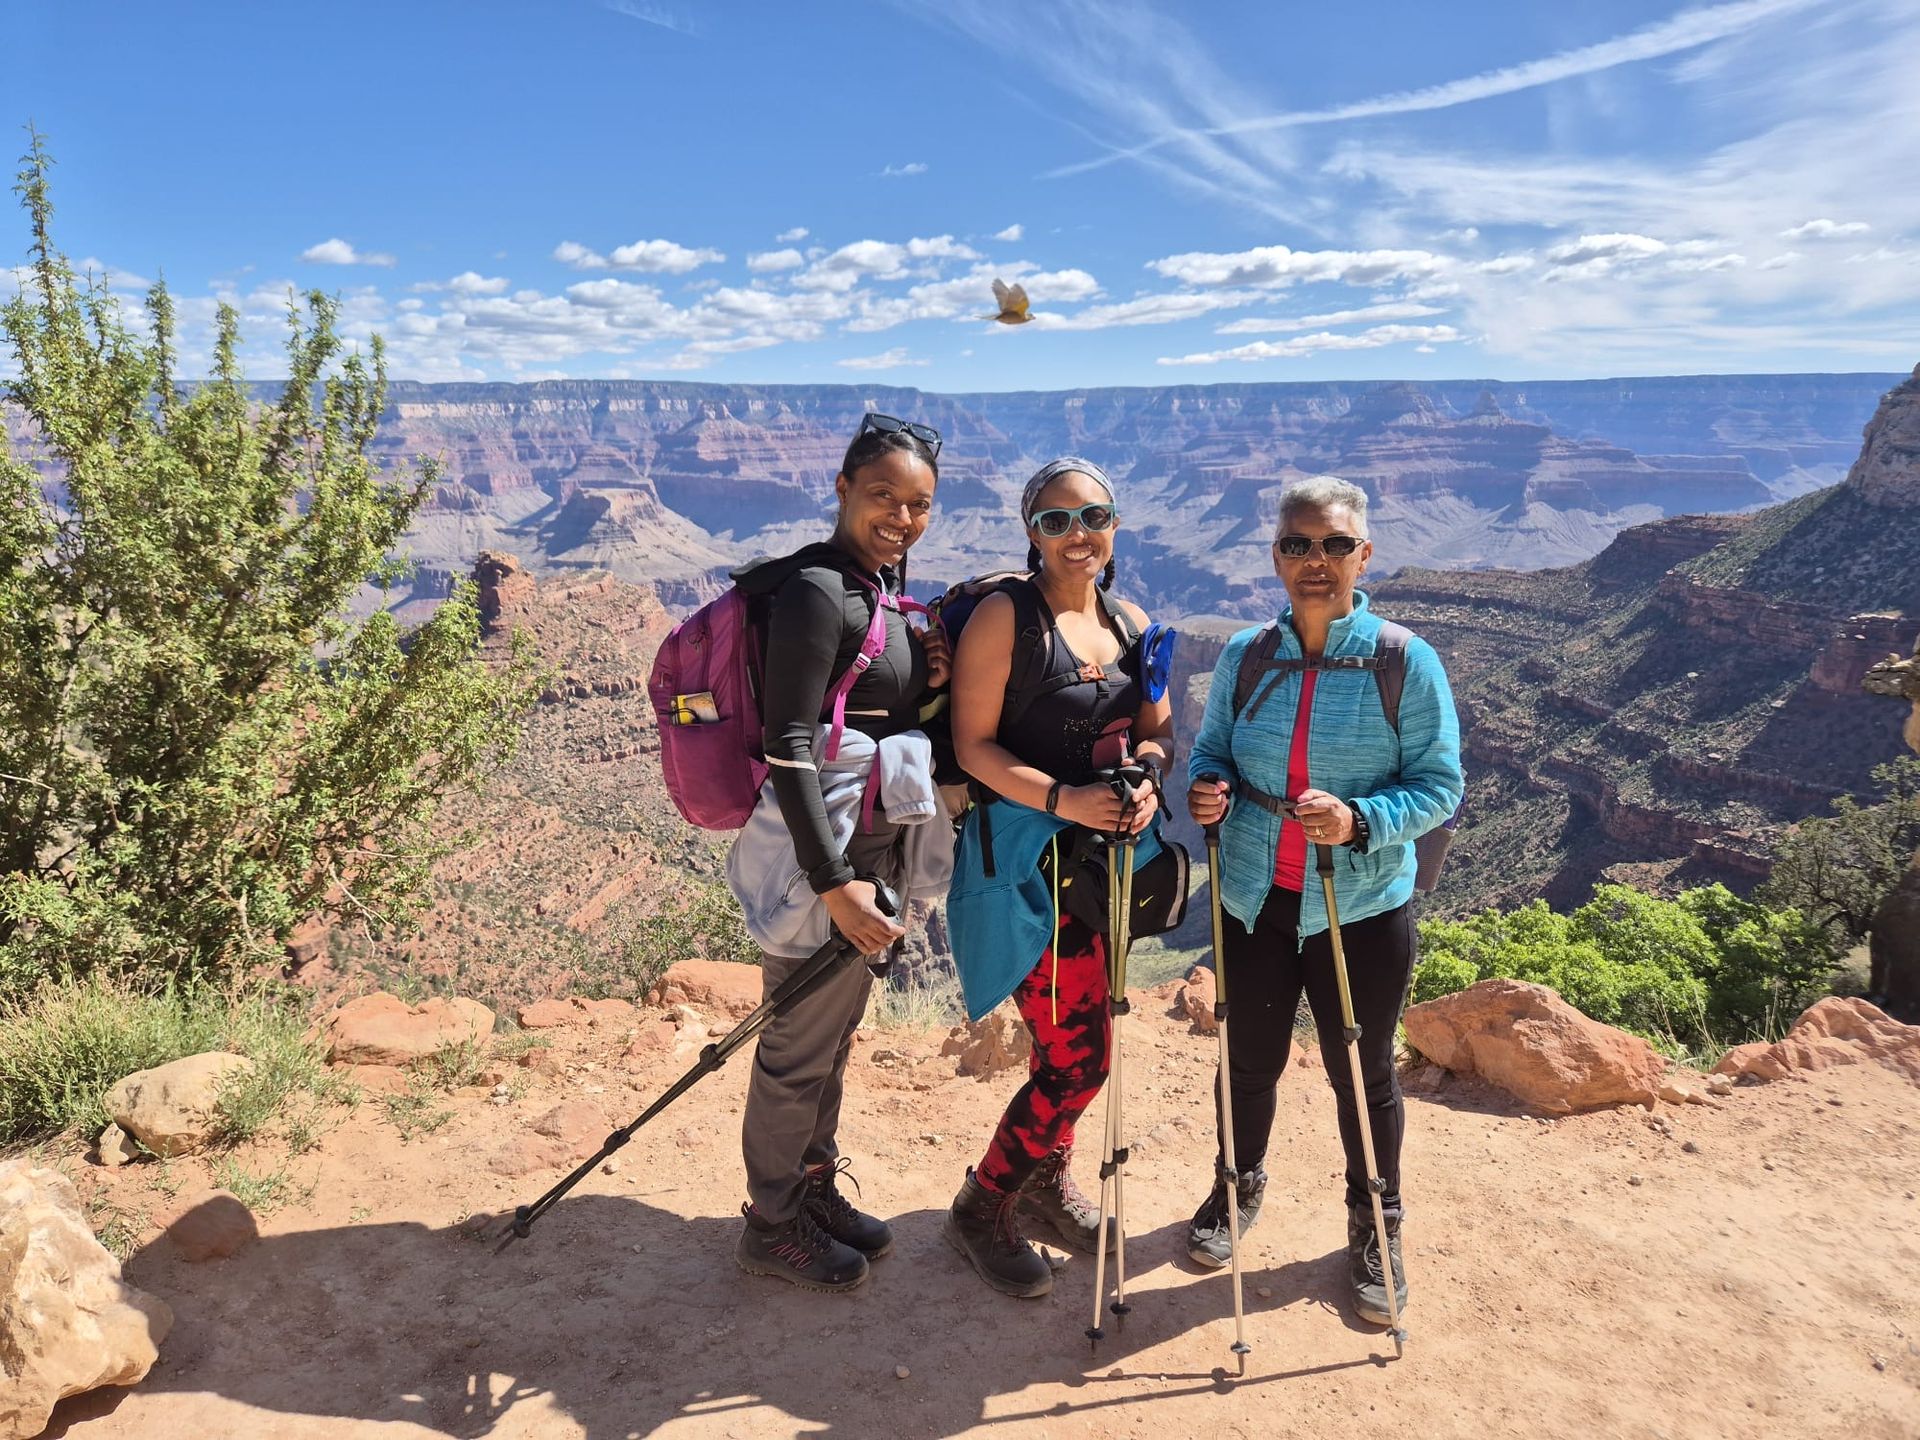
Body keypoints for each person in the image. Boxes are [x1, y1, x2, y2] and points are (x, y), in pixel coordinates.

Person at [1183, 475, 1462, 1326]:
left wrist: (1361, 819)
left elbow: (1441, 785)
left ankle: (1377, 1221)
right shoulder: (1245, 654)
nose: (1316, 560)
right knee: (1250, 1058)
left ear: (1363, 555)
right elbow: (1210, 752)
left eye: (1334, 545)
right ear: (1276, 556)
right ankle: (1238, 1184)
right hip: (1255, 896)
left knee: (1362, 1070)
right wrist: (1207, 789)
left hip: (1363, 903)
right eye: (1299, 544)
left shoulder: (1403, 659)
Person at [726, 414, 952, 1293]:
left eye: (919, 504)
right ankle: (771, 1222)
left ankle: (811, 1189)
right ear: (843, 491)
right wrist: (836, 886)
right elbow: (789, 743)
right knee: (795, 1049)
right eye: (882, 496)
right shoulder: (822, 588)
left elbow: (876, 723)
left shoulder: (879, 588)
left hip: (873, 849)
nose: (901, 516)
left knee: (833, 1038)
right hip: (827, 863)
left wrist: (925, 686)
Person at [942, 456, 1174, 1298]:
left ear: (1116, 524)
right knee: (1080, 1058)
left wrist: (1146, 780)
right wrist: (1067, 800)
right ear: (1030, 532)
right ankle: (982, 1202)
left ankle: (1042, 1178)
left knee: (1066, 1040)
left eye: (1095, 517)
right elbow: (974, 746)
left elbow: (1156, 728)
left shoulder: (1129, 619)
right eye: (1057, 521)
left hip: (1098, 872)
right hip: (1025, 873)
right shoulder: (1008, 617)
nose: (1079, 536)